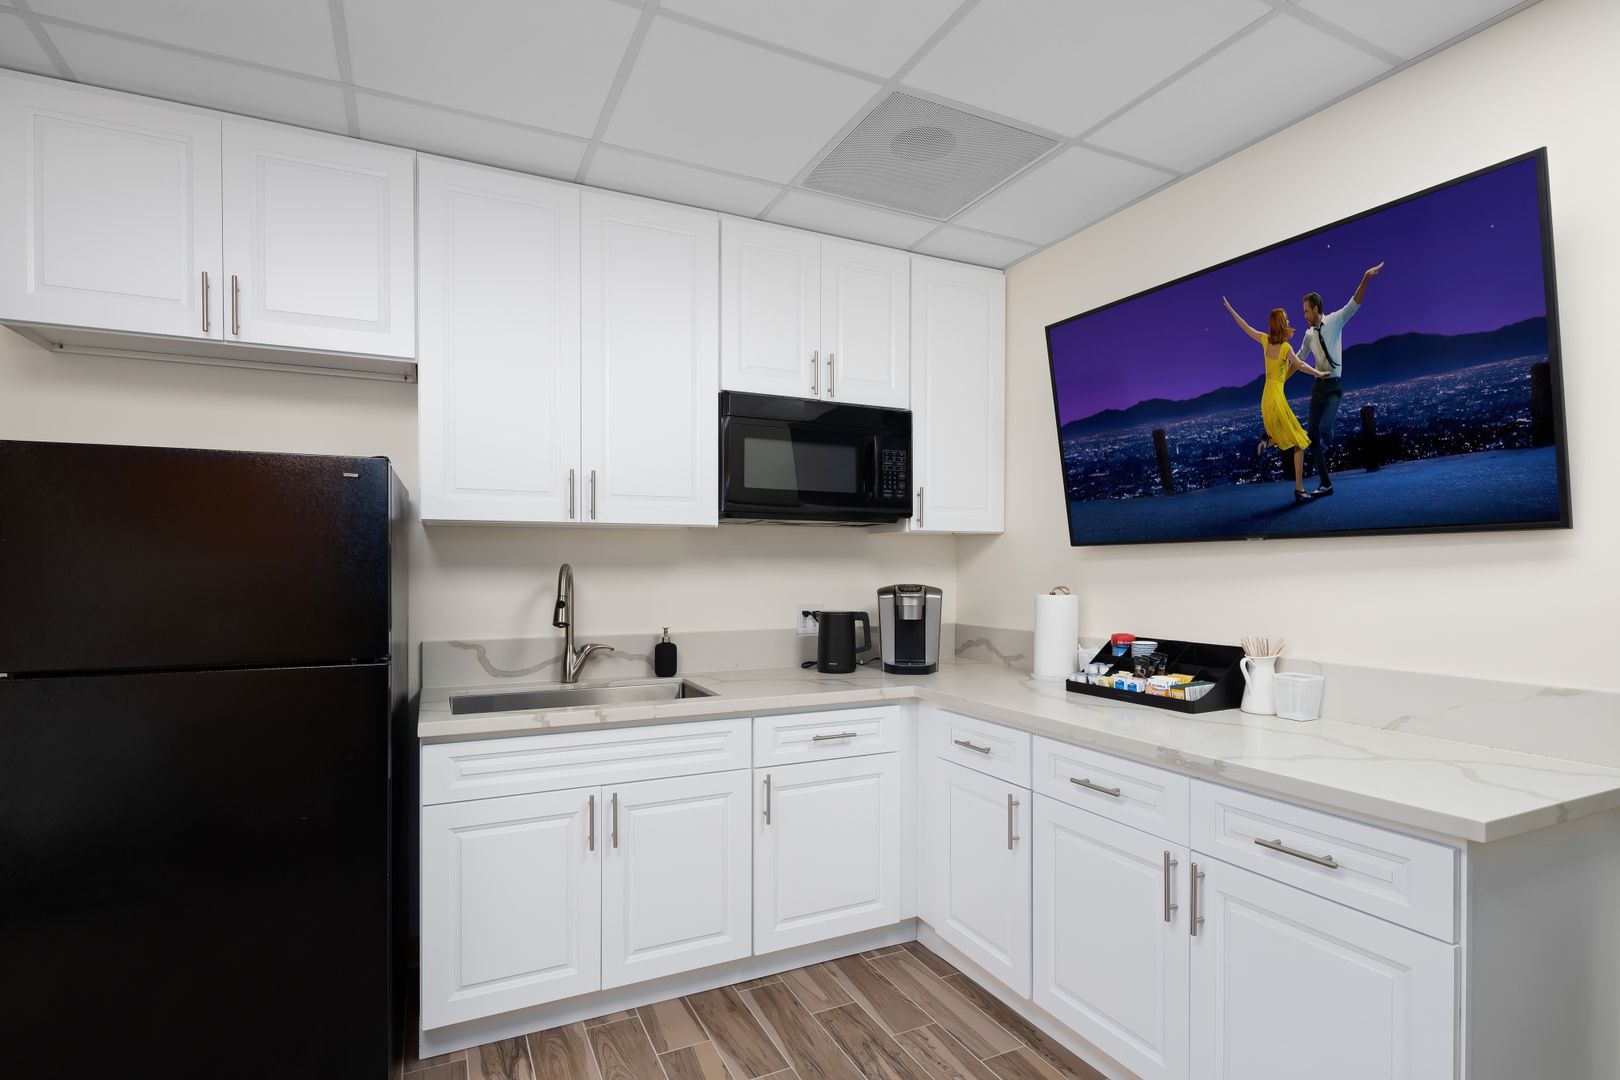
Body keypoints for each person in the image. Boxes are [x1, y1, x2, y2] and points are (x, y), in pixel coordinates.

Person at [1222, 298, 1331, 503]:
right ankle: (1299, 490)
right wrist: (1319, 373)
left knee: (1288, 437)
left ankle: (1267, 439)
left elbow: (1246, 327)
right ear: (1281, 323)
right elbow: (1300, 365)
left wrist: (1230, 309)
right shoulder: (1285, 348)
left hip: (1266, 398)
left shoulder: (1265, 340)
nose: (1289, 321)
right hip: (1277, 398)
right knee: (1299, 442)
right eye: (1286, 319)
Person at [1297, 262, 1384, 496]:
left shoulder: (1335, 320)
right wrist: (1281, 377)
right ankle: (1325, 483)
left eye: (1306, 311)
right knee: (1311, 437)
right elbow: (1299, 358)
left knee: (1325, 428)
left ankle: (1328, 438)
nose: (1304, 316)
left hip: (1334, 387)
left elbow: (1354, 303)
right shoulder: (1308, 335)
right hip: (1318, 388)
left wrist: (1365, 277)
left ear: (1315, 309)